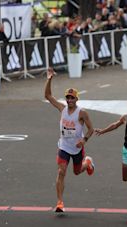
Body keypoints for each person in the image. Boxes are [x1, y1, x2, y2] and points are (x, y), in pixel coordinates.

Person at [44, 68, 95, 213]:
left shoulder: (82, 113)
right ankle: (59, 202)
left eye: (72, 97)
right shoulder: (62, 109)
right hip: (64, 147)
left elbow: (91, 129)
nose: (69, 100)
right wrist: (49, 79)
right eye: (68, 97)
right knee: (61, 172)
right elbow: (48, 95)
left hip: (77, 148)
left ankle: (88, 163)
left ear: (76, 99)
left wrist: (84, 141)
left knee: (77, 171)